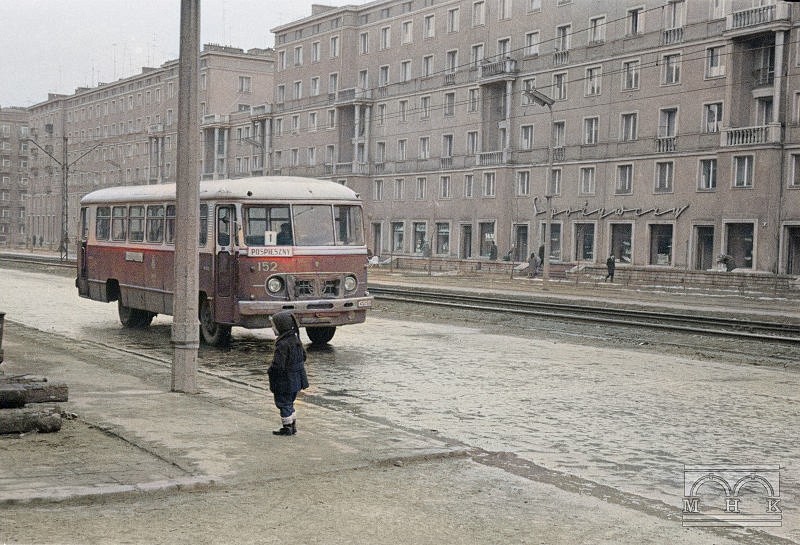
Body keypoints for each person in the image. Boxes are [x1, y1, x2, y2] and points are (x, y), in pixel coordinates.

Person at [267, 311, 308, 436]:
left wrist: (271, 371)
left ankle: (287, 427)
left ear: (281, 327)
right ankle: (292, 425)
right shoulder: (296, 339)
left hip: (285, 381)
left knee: (283, 403)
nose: (273, 329)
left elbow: (278, 365)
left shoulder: (282, 344)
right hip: (296, 380)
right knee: (290, 402)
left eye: (274, 326)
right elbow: (304, 357)